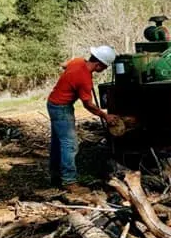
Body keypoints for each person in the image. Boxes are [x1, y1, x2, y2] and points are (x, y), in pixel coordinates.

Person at [47, 45, 119, 192]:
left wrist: (69, 77)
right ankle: (69, 181)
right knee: (70, 144)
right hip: (61, 108)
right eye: (104, 67)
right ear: (99, 64)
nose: (104, 70)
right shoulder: (84, 78)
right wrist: (105, 116)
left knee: (57, 143)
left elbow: (64, 65)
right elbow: (88, 105)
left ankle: (55, 176)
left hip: (53, 103)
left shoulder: (78, 61)